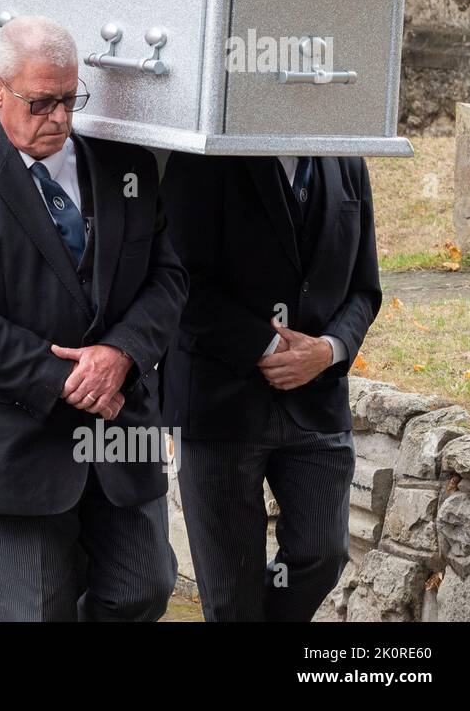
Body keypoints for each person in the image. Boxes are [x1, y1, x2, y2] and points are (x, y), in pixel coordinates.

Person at [0, 16, 188, 621]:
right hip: (14, 439)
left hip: (120, 434)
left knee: (145, 591)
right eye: (40, 103)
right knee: (35, 611)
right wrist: (66, 378)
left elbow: (168, 278)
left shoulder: (127, 168)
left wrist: (121, 354)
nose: (59, 118)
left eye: (69, 99)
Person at [161, 147, 381, 621]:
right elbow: (178, 281)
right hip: (218, 405)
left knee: (324, 555)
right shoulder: (202, 159)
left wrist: (327, 350)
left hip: (317, 400)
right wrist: (264, 346)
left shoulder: (347, 160)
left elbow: (365, 286)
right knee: (230, 597)